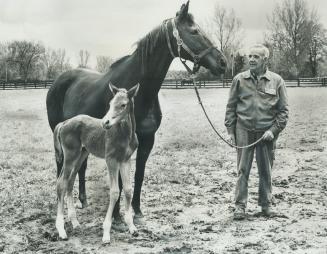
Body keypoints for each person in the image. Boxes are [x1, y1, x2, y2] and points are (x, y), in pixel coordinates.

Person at [224, 44, 289, 220]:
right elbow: (230, 107)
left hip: (265, 134)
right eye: (250, 56)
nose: (251, 59)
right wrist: (231, 131)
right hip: (243, 131)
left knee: (265, 171)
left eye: (256, 57)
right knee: (242, 170)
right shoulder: (239, 79)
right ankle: (239, 206)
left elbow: (283, 112)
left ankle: (266, 205)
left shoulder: (277, 81)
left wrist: (273, 131)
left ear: (265, 60)